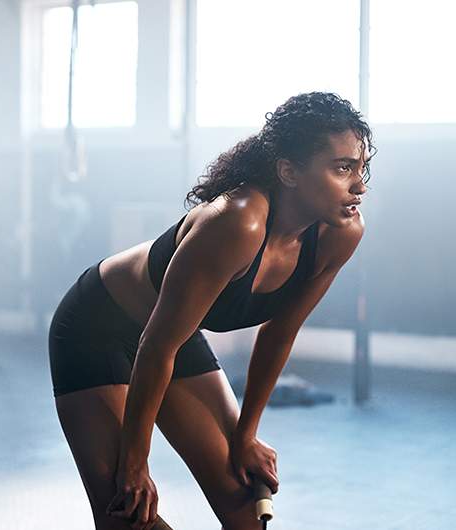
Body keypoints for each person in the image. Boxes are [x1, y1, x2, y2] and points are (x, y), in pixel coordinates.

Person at [48, 91, 375, 530]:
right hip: (96, 327)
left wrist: (246, 435)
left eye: (361, 167)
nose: (360, 185)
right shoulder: (238, 220)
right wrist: (135, 461)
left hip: (171, 337)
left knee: (247, 513)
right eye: (342, 168)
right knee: (126, 516)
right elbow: (155, 344)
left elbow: (280, 333)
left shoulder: (341, 233)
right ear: (289, 172)